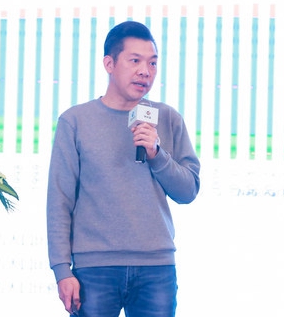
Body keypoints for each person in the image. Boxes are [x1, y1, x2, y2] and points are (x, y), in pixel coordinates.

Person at [47, 20, 200, 317]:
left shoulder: (167, 118)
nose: (146, 71)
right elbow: (59, 200)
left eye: (153, 63)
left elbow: (188, 190)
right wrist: (62, 269)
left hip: (156, 268)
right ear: (109, 64)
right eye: (135, 61)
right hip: (94, 268)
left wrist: (157, 154)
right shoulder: (75, 121)